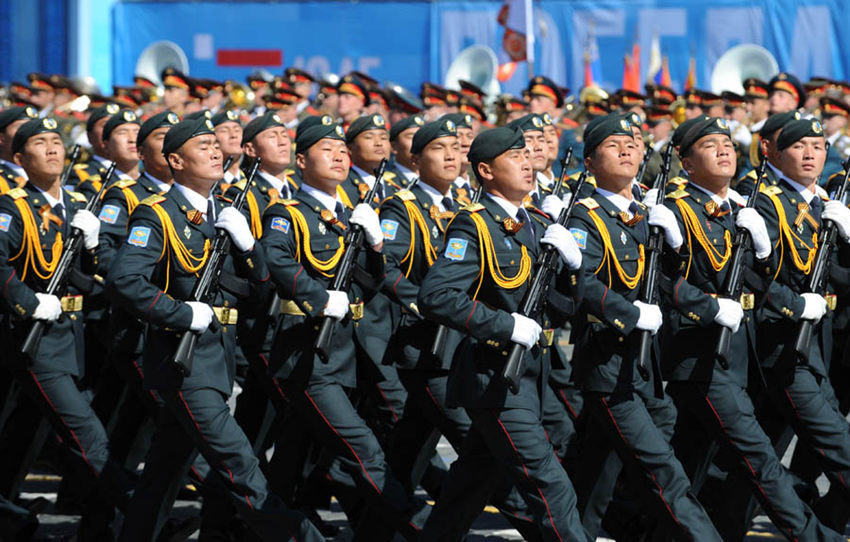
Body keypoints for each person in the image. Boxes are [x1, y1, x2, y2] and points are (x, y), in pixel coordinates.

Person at [107, 116, 324, 542]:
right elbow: (123, 280)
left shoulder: (224, 213)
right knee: (243, 468)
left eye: (215, 144)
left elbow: (259, 293)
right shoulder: (157, 214)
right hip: (182, 363)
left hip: (216, 358)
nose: (214, 151)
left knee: (163, 475)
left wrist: (248, 247)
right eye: (201, 145)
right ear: (174, 160)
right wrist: (181, 314)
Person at [659, 116, 844, 541]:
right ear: (685, 163)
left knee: (689, 467)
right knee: (757, 459)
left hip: (737, 360)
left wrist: (763, 255)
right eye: (709, 145)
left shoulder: (740, 211)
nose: (724, 149)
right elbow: (670, 281)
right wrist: (711, 305)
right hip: (699, 354)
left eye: (727, 142)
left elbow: (758, 280)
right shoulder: (675, 209)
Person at [418, 126, 591, 541]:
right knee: (550, 484)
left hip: (532, 375)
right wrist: (506, 324)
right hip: (493, 376)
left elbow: (564, 304)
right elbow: (436, 296)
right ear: (486, 170)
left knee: (469, 487)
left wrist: (573, 267)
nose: (528, 163)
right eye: (515, 157)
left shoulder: (536, 223)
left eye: (528, 155)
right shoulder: (474, 225)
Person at [259, 121, 430, 539]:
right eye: (326, 149)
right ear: (301, 161)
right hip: (308, 355)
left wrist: (373, 247)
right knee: (364, 450)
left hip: (349, 355)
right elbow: (276, 260)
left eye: (341, 150)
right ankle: (431, 530)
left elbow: (373, 280)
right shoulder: (288, 212)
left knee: (294, 460)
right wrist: (319, 298)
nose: (339, 156)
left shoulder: (348, 217)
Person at [566, 114, 722, 540]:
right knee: (662, 469)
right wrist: (632, 314)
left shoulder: (648, 212)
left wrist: (678, 250)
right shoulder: (583, 218)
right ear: (589, 161)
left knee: (598, 470)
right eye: (614, 144)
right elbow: (582, 284)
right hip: (608, 363)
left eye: (633, 143)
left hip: (645, 367)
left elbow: (670, 280)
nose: (627, 149)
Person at [0, 117, 133, 540]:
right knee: (88, 433)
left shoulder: (78, 205)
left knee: (31, 436)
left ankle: (81, 525)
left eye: (57, 141)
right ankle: (144, 514)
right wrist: (27, 301)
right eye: (41, 143)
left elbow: (85, 278)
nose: (53, 149)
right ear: (20, 158)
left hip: (69, 336)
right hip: (31, 337)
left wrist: (92, 247)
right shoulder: (11, 207)